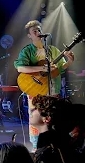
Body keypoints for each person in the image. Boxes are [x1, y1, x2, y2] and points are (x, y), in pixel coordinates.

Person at [14, 20, 74, 151]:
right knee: (36, 118)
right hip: (35, 90)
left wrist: (69, 61)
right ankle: (37, 147)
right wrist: (41, 67)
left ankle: (55, 146)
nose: (38, 33)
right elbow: (20, 68)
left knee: (54, 117)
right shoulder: (27, 51)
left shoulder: (53, 50)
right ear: (29, 35)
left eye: (39, 30)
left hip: (53, 89)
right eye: (34, 31)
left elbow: (60, 68)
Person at [30, 95, 84, 163]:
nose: (32, 110)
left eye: (35, 108)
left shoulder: (48, 151)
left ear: (47, 118)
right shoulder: (59, 142)